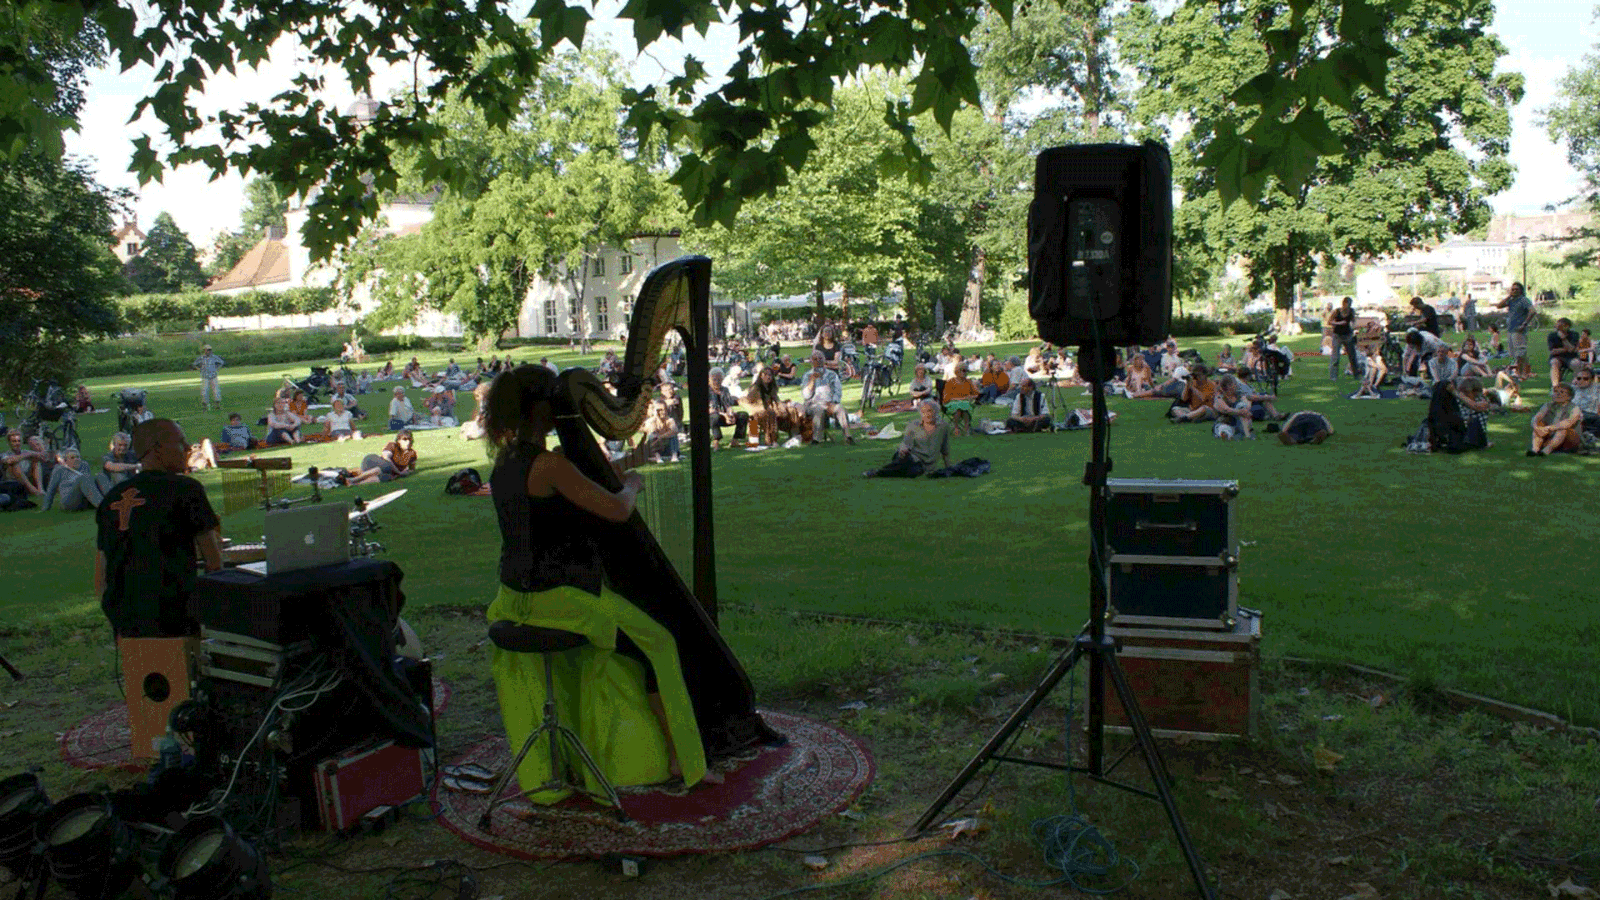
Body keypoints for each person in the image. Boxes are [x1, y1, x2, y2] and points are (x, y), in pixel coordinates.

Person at [480, 364, 712, 801]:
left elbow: (583, 487)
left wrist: (632, 461)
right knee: (660, 643)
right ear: (542, 408)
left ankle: (596, 752)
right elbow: (617, 509)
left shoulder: (508, 461)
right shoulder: (550, 463)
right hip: (562, 598)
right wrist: (634, 486)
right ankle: (682, 761)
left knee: (635, 643)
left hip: (516, 596)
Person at [94, 419, 222, 638]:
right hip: (174, 614)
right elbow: (214, 562)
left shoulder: (112, 498)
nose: (188, 448)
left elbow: (101, 573)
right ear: (158, 449)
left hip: (124, 617)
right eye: (180, 442)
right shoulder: (186, 489)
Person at [862, 399, 953, 478]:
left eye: (929, 411)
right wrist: (903, 449)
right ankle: (879, 472)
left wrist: (948, 469)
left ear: (936, 412)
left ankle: (878, 472)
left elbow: (945, 450)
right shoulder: (913, 425)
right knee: (907, 463)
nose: (927, 414)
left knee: (913, 471)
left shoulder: (943, 427)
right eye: (923, 412)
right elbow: (906, 443)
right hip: (910, 457)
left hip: (924, 465)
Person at [801, 351, 853, 444]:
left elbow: (838, 391)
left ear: (824, 360)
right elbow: (806, 396)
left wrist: (834, 402)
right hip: (813, 404)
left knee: (840, 408)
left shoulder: (832, 374)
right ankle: (816, 439)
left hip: (829, 403)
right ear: (811, 361)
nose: (818, 361)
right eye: (815, 359)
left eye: (821, 358)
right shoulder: (807, 375)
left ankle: (848, 436)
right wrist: (812, 381)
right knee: (819, 410)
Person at [1528, 382, 1582, 456]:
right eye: (1555, 391)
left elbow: (1569, 422)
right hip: (1551, 435)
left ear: (1569, 397)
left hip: (1569, 440)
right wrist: (1536, 427)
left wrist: (1548, 428)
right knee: (1539, 424)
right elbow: (1537, 417)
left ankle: (1546, 451)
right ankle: (1535, 450)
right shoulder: (1548, 405)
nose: (1558, 394)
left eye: (1562, 392)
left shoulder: (1574, 408)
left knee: (1562, 429)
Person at [348, 429, 418, 485]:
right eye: (405, 440)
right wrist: (398, 472)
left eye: (409, 439)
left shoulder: (412, 453)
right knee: (386, 467)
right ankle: (352, 480)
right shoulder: (393, 445)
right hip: (372, 462)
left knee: (388, 477)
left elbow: (412, 469)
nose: (408, 442)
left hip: (386, 471)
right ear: (399, 440)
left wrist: (406, 472)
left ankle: (357, 484)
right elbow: (386, 457)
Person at [1495, 282, 1533, 379]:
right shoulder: (1511, 300)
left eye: (1516, 289)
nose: (1514, 291)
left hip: (1518, 330)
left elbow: (1532, 311)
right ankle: (1525, 372)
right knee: (1515, 354)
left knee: (1520, 353)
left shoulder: (1524, 300)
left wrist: (1524, 324)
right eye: (1512, 289)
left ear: (1521, 290)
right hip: (1510, 330)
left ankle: (1521, 373)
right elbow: (1499, 306)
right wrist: (1509, 296)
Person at [706, 367, 749, 450]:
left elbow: (728, 405)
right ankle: (716, 441)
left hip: (725, 416)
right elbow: (711, 410)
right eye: (714, 379)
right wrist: (724, 415)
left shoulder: (725, 390)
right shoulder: (707, 391)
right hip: (712, 417)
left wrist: (730, 414)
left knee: (743, 415)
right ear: (709, 379)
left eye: (719, 379)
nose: (717, 382)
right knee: (714, 417)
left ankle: (735, 440)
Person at [40, 447, 93, 512]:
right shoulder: (59, 469)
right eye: (72, 458)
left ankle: (102, 502)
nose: (76, 459)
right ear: (66, 461)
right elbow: (51, 489)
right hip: (69, 500)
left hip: (84, 499)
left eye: (78, 457)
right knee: (83, 478)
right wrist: (45, 508)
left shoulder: (84, 465)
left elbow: (90, 485)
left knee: (98, 477)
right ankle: (101, 506)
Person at [744, 366, 784, 447]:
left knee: (774, 413)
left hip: (766, 411)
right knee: (769, 414)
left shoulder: (771, 388)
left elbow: (777, 400)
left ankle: (773, 439)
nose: (768, 377)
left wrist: (781, 408)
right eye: (765, 374)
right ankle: (770, 440)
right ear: (761, 376)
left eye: (770, 375)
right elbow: (753, 403)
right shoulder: (755, 388)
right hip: (756, 411)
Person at [1328, 296, 1362, 381]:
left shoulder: (1351, 311)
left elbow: (1353, 321)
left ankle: (1356, 375)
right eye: (1347, 304)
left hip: (1348, 335)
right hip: (1337, 335)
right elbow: (1329, 321)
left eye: (1350, 304)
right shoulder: (1337, 311)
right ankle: (1333, 376)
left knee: (1352, 356)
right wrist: (1339, 323)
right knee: (1335, 357)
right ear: (1343, 303)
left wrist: (1354, 327)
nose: (1348, 306)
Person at [941, 360, 980, 435]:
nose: (965, 372)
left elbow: (976, 394)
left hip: (965, 403)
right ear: (957, 371)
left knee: (964, 409)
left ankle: (966, 429)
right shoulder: (950, 382)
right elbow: (947, 398)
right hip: (951, 403)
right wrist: (962, 399)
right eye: (963, 370)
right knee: (959, 409)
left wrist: (971, 396)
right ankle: (956, 428)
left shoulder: (968, 382)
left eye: (966, 371)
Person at [1547, 317, 1580, 387]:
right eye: (1557, 326)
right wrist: (1567, 349)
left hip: (1571, 357)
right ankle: (1555, 386)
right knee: (1554, 362)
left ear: (1567, 326)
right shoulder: (1552, 335)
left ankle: (1576, 385)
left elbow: (1572, 349)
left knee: (1577, 363)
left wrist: (1564, 339)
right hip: (1557, 357)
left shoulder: (1574, 334)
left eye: (1560, 326)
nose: (1558, 328)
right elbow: (1553, 351)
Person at [192, 344, 225, 410]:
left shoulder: (214, 357)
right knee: (204, 391)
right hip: (205, 377)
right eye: (208, 350)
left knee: (216, 391)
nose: (209, 351)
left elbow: (221, 362)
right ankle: (205, 405)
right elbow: (194, 364)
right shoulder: (201, 358)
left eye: (210, 350)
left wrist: (217, 368)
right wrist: (199, 369)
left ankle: (217, 405)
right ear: (204, 350)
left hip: (213, 376)